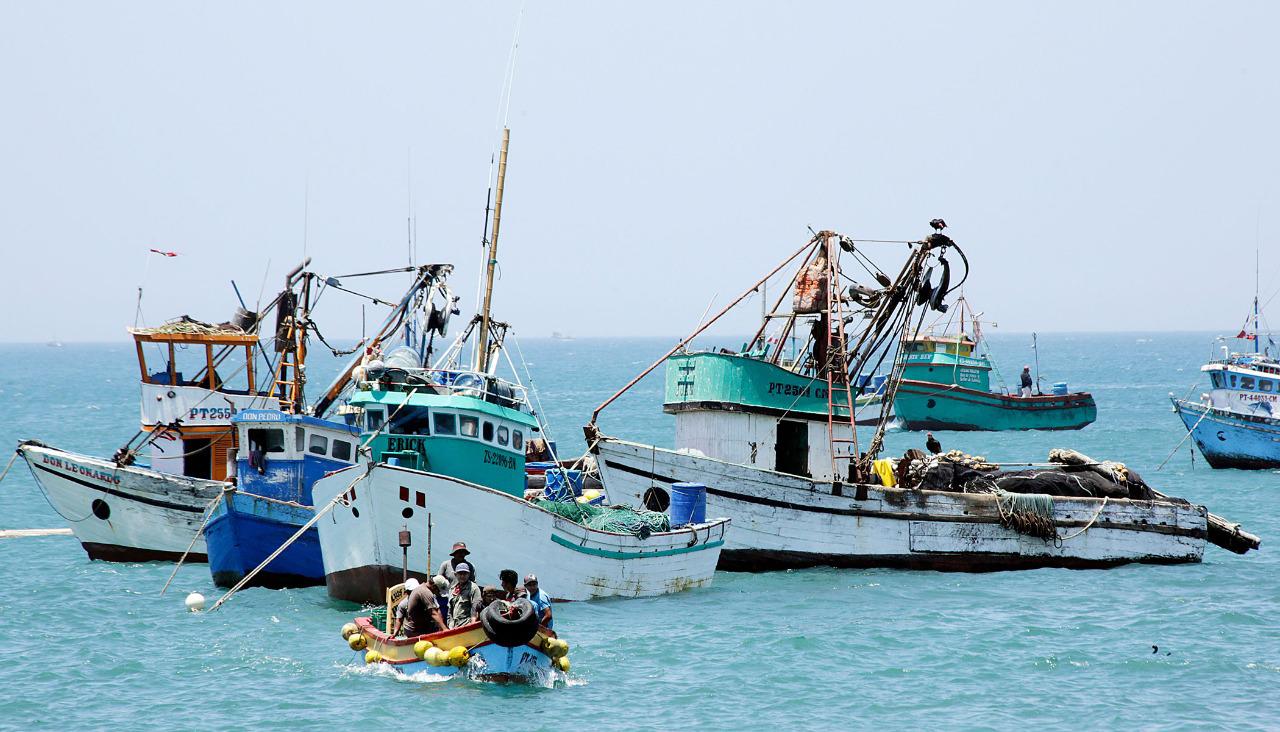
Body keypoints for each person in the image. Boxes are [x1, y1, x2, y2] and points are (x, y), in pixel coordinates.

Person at [447, 563, 483, 628]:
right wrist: (449, 625)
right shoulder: (452, 589)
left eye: (465, 574)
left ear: (468, 574)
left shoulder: (473, 588)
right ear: (455, 574)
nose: (462, 576)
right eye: (460, 573)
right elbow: (450, 610)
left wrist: (473, 623)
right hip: (453, 627)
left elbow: (475, 607)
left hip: (466, 625)